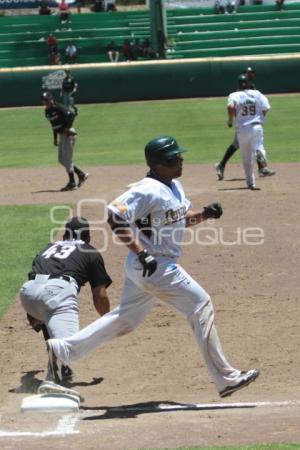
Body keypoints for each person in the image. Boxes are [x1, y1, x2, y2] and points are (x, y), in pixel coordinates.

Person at [45, 135, 260, 398]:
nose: (181, 160)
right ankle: (226, 378)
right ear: (160, 163)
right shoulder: (145, 189)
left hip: (147, 266)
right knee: (200, 304)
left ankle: (62, 350)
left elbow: (182, 218)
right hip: (153, 264)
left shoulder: (175, 186)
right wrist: (141, 251)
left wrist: (205, 214)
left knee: (125, 319)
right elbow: (114, 216)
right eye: (175, 158)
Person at [20, 217, 111, 384]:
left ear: (64, 235)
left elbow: (35, 288)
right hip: (56, 291)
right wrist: (110, 321)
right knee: (68, 347)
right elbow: (100, 296)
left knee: (49, 313)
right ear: (87, 237)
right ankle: (56, 373)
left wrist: (33, 316)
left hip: (28, 293)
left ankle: (59, 364)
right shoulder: (90, 251)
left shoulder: (47, 248)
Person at [215, 66, 276, 180]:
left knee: (239, 145)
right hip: (245, 122)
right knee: (245, 145)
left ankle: (222, 165)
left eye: (252, 72)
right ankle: (222, 165)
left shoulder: (250, 87)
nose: (250, 74)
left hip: (247, 123)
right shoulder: (242, 89)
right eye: (248, 72)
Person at [226, 75, 271, 190]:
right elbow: (266, 108)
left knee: (246, 158)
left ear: (238, 84)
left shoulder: (234, 95)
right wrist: (260, 117)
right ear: (249, 83)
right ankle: (260, 155)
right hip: (256, 126)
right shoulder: (257, 93)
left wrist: (230, 121)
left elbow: (231, 107)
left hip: (242, 129)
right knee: (259, 146)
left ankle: (251, 183)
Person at [41, 91, 88, 191]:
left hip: (68, 134)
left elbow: (71, 115)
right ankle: (81, 174)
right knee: (61, 160)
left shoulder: (58, 107)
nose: (44, 102)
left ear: (51, 99)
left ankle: (72, 183)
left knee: (67, 160)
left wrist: (67, 128)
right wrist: (55, 138)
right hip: (61, 136)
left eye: (46, 100)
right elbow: (53, 125)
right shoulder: (47, 111)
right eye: (43, 100)